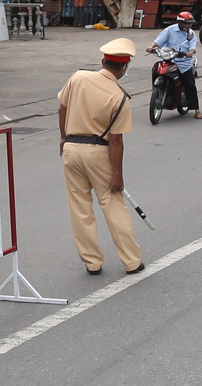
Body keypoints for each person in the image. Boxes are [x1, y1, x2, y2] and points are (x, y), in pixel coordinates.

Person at [56, 38, 143, 276]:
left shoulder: (77, 78)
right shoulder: (120, 97)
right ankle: (131, 261)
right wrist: (118, 175)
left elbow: (62, 107)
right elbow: (116, 140)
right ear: (124, 68)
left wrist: (64, 137)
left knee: (80, 208)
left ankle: (92, 263)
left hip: (72, 149)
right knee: (113, 204)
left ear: (103, 61)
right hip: (98, 152)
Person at [152, 12, 201, 115]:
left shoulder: (191, 34)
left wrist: (190, 52)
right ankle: (158, 93)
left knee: (190, 84)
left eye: (190, 23)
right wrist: (152, 47)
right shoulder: (170, 30)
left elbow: (192, 47)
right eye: (187, 23)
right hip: (170, 60)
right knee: (156, 70)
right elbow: (159, 40)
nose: (189, 26)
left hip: (184, 63)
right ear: (180, 22)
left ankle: (196, 109)